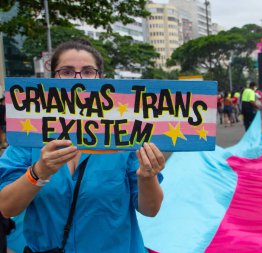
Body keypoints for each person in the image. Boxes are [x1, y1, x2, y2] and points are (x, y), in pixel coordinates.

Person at [0, 40, 165, 253]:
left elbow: (150, 209)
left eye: (88, 71)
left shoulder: (126, 135)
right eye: (67, 72)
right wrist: (38, 173)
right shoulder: (29, 134)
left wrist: (147, 176)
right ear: (53, 78)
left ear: (101, 78)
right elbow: (6, 207)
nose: (78, 80)